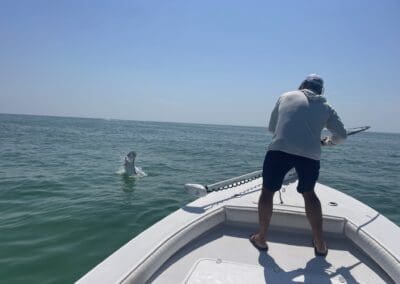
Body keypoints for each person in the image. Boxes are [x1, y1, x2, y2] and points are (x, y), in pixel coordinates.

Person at [250, 74, 347, 256]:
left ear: (301, 85)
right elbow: (342, 136)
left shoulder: (286, 96)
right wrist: (327, 142)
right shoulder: (327, 107)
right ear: (321, 91)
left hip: (279, 150)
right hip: (310, 155)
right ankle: (320, 244)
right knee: (309, 194)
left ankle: (261, 238)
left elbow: (272, 128)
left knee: (268, 191)